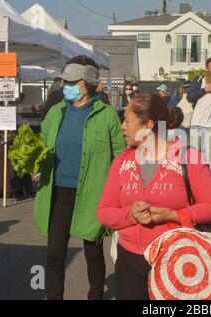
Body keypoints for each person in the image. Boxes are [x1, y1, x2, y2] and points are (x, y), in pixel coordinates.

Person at [97, 93, 211, 300]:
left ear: (147, 125)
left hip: (175, 260)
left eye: (127, 121)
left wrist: (173, 215)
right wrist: (130, 215)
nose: (122, 126)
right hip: (128, 261)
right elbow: (104, 212)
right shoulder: (121, 161)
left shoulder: (188, 157)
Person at [34, 55, 126, 300]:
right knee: (54, 253)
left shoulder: (107, 115)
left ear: (85, 84)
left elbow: (120, 156)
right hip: (59, 194)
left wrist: (121, 192)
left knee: (93, 254)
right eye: (64, 82)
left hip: (93, 194)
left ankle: (95, 296)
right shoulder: (55, 112)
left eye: (71, 82)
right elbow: (41, 145)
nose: (65, 87)